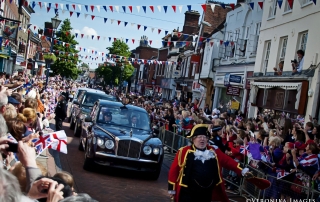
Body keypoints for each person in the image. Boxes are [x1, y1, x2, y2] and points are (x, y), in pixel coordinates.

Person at [168, 124, 251, 202]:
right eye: (199, 137)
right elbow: (174, 170)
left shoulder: (213, 151)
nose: (202, 139)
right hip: (187, 191)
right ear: (193, 139)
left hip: (207, 191)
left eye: (205, 137)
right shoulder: (184, 151)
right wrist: (172, 189)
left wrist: (242, 170)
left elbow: (227, 161)